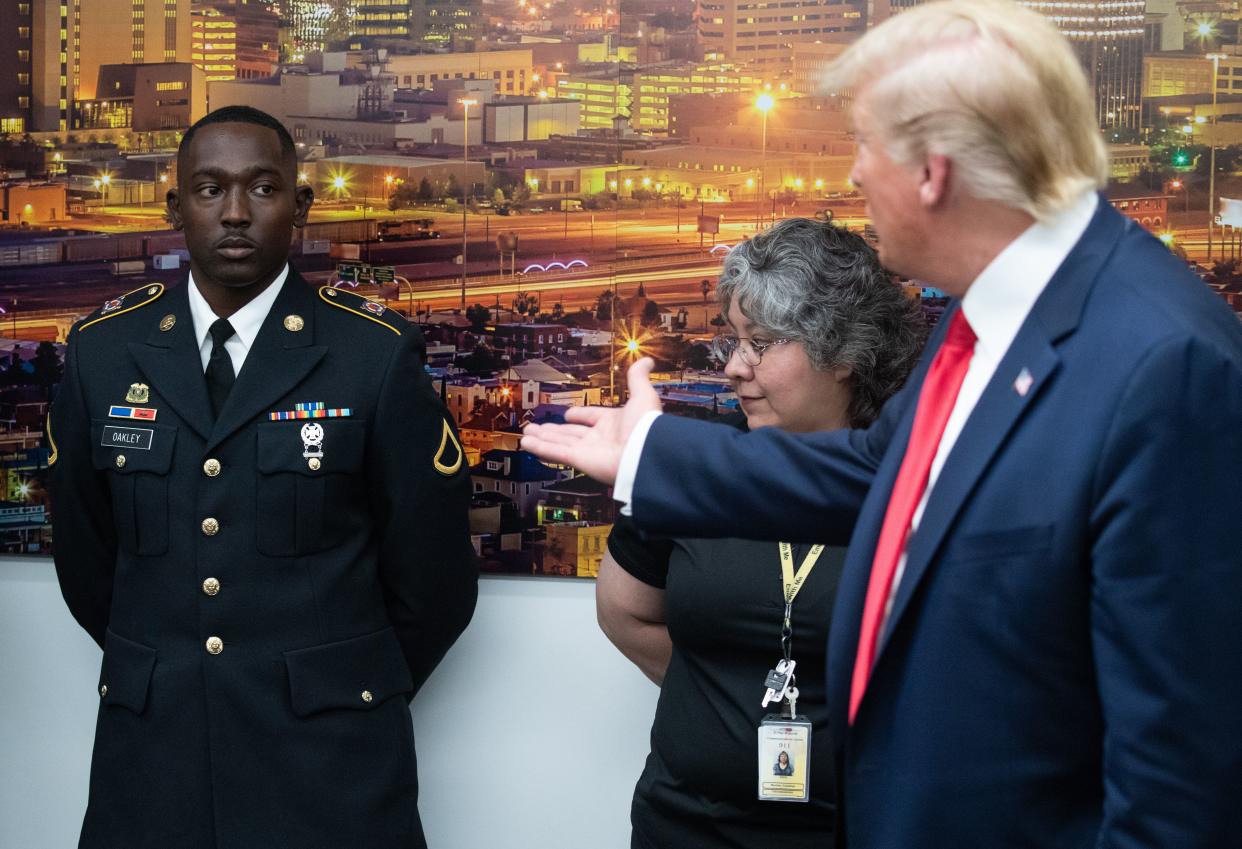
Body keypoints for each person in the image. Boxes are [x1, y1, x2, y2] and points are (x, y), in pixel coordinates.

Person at [522, 2, 1242, 847]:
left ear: (932, 170)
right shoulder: (1000, 319)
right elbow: (874, 473)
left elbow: (1181, 765)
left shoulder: (1164, 359)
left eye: (863, 144)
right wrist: (650, 456)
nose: (855, 175)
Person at [48, 105, 477, 849]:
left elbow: (434, 579)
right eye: (210, 189)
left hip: (329, 768)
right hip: (154, 764)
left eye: (263, 188)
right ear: (174, 205)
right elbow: (88, 563)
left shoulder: (370, 355)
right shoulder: (102, 352)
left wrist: (340, 686)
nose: (236, 213)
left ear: (301, 206)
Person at [596, 219, 923, 849]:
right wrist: (728, 699)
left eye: (763, 344)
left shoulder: (910, 485)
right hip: (688, 825)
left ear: (846, 353)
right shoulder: (693, 471)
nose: (734, 370)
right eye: (735, 342)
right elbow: (625, 614)